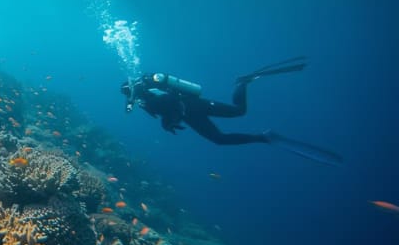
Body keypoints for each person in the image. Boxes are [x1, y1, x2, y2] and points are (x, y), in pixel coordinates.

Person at [121, 57, 343, 165]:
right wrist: (168, 123)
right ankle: (263, 137)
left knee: (239, 112)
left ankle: (242, 82)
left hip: (195, 107)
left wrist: (169, 119)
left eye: (129, 93)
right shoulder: (145, 100)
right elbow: (166, 111)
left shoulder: (149, 93)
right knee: (219, 139)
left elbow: (171, 102)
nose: (131, 97)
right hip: (190, 116)